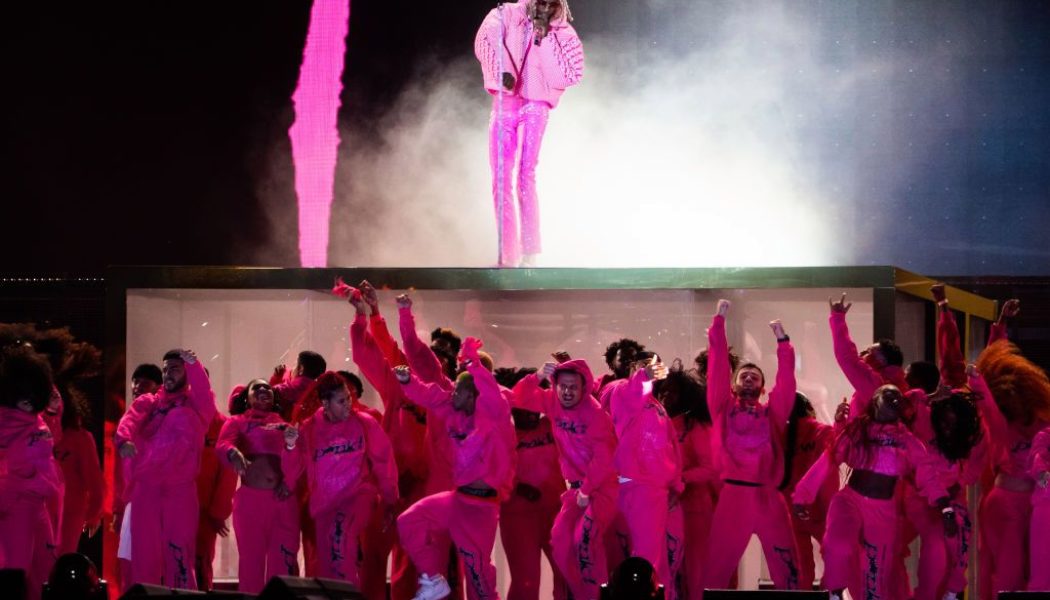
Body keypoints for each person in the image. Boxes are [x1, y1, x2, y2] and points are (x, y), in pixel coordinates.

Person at [395, 337, 516, 600]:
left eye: (459, 391)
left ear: (473, 395)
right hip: (457, 500)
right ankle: (432, 579)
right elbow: (432, 396)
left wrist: (473, 362)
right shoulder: (454, 412)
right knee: (409, 521)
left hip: (480, 509)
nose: (453, 394)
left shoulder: (495, 417)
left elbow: (491, 393)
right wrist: (407, 382)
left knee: (478, 576)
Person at [474, 0, 585, 267]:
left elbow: (569, 75)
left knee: (525, 175)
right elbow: (484, 40)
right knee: (500, 178)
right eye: (540, 1)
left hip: (535, 106)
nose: (543, 7)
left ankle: (530, 253)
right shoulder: (508, 14)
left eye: (550, 2)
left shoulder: (565, 34)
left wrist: (544, 37)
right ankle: (507, 256)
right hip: (506, 102)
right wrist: (503, 71)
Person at [701, 300, 801, 591]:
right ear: (733, 385)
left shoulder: (772, 414)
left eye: (754, 377)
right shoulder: (721, 407)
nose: (748, 379)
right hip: (733, 496)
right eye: (743, 376)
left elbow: (787, 383)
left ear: (762, 387)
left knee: (787, 568)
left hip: (768, 497)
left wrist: (783, 342)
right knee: (716, 570)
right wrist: (718, 324)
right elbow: (717, 367)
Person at [515, 358, 619, 600]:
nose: (567, 392)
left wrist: (587, 489)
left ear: (583, 388)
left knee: (584, 541)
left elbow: (604, 457)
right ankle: (586, 595)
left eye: (573, 386)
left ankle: (597, 595)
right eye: (563, 386)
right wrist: (538, 375)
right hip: (575, 492)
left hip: (601, 489)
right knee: (560, 544)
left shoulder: (595, 414)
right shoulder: (552, 401)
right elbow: (520, 397)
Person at [114, 349, 217, 589]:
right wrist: (124, 440)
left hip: (180, 490)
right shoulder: (149, 402)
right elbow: (128, 421)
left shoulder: (196, 405)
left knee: (179, 553)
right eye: (165, 369)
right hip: (146, 489)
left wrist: (194, 364)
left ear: (187, 373)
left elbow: (204, 392)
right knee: (144, 555)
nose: (168, 374)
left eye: (174, 369)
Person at [285, 371, 399, 586]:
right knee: (327, 561)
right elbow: (294, 469)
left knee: (340, 538)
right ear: (325, 403)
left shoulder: (365, 423)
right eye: (341, 400)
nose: (348, 404)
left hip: (358, 495)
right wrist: (290, 446)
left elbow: (384, 461)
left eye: (348, 398)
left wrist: (390, 499)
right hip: (325, 504)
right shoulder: (309, 429)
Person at [217, 379, 301, 593]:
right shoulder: (237, 422)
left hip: (283, 501)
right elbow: (223, 444)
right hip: (251, 502)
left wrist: (289, 482)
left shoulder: (285, 425)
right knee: (251, 563)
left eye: (268, 388)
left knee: (282, 563)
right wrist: (232, 452)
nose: (264, 390)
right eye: (257, 388)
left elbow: (301, 459)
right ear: (247, 397)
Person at [496, 367, 568, 600]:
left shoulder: (552, 426)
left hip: (555, 513)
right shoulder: (502, 433)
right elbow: (491, 473)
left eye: (534, 411)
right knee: (526, 582)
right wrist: (518, 487)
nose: (530, 415)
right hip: (518, 516)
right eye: (524, 411)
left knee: (567, 575)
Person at [0, 343, 63, 598]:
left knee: (46, 570)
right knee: (17, 573)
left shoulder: (35, 417)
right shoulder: (6, 422)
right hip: (16, 506)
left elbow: (52, 441)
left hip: (39, 505)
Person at [777, 392, 838, 593]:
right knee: (834, 560)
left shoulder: (780, 436)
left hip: (790, 508)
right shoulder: (823, 431)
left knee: (801, 568)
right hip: (822, 508)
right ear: (809, 408)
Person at [272, 350, 327, 421]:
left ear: (301, 369)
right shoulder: (323, 397)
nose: (292, 369)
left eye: (295, 364)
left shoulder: (281, 390)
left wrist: (276, 378)